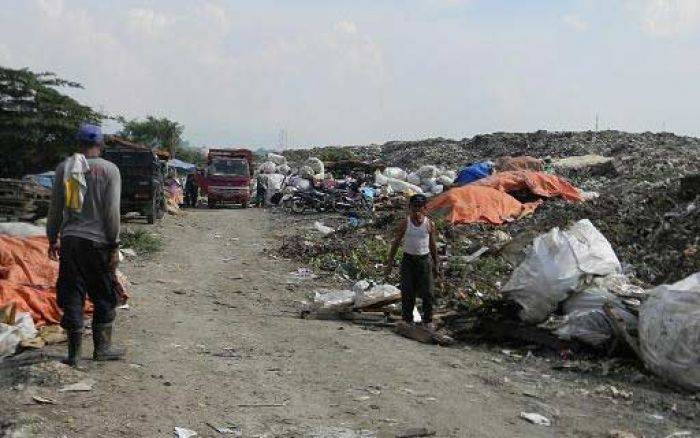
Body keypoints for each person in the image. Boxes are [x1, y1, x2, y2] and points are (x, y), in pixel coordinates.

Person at [47, 123, 125, 368]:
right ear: (100, 145)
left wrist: (52, 237)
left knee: (72, 294)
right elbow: (112, 212)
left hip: (70, 241)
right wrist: (114, 244)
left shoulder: (65, 168)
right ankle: (102, 349)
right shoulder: (110, 170)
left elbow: (55, 209)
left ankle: (74, 355)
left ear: (78, 144)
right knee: (104, 294)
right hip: (98, 243)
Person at [385, 194, 440, 326]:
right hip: (408, 260)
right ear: (410, 207)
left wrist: (436, 264)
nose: (416, 210)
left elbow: (432, 245)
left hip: (424, 260)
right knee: (408, 292)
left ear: (424, 208)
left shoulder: (429, 224)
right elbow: (396, 242)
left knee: (428, 292)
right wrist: (390, 262)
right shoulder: (406, 223)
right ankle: (407, 320)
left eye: (419, 207)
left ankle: (428, 320)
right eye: (414, 207)